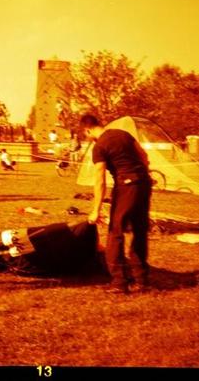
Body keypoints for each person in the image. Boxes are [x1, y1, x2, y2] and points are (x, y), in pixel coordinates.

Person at [79, 114, 152, 294]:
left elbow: (100, 180)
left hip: (126, 186)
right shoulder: (123, 134)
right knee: (139, 231)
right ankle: (141, 280)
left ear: (87, 130)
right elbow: (144, 155)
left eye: (85, 134)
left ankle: (119, 282)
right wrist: (141, 173)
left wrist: (95, 210)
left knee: (115, 233)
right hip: (144, 184)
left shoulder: (99, 146)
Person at [0, 220, 101, 276]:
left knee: (14, 256)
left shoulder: (87, 254)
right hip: (53, 258)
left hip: (40, 262)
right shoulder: (88, 255)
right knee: (27, 240)